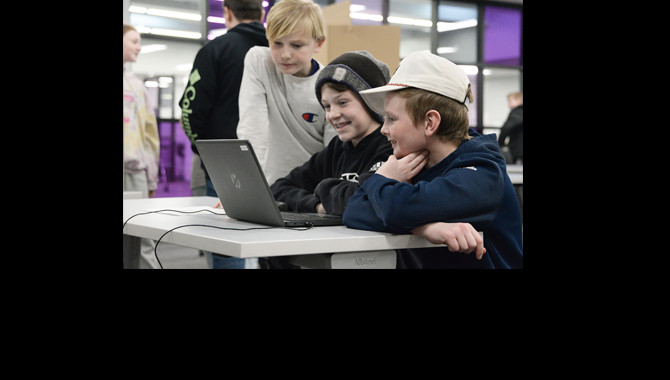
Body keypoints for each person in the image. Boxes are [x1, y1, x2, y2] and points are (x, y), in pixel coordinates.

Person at [343, 51, 523, 269]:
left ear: (430, 123)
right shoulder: (415, 162)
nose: (383, 129)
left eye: (392, 119)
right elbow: (353, 210)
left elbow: (398, 210)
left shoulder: (483, 175)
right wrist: (426, 228)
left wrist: (381, 179)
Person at [179, 0, 268, 269]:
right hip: (276, 163)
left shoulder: (215, 50)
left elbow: (189, 110)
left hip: (225, 165)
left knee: (226, 246)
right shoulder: (278, 50)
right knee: (277, 245)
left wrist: (204, 151)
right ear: (261, 13)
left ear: (227, 13)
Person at [270, 51, 393, 216]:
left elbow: (364, 198)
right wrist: (316, 205)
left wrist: (323, 187)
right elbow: (279, 188)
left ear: (372, 101)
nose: (332, 114)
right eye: (327, 106)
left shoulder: (391, 145)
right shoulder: (337, 148)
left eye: (342, 102)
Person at [236, 0, 338, 187]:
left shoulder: (331, 86)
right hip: (269, 187)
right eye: (277, 43)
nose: (285, 54)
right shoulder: (259, 61)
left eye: (296, 45)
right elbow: (252, 126)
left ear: (318, 43)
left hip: (310, 191)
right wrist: (247, 184)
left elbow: (333, 152)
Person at [123, 23, 161, 269]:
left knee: (141, 242)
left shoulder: (137, 86)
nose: (139, 46)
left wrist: (151, 178)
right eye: (133, 41)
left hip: (134, 171)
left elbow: (150, 137)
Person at [498, 92, 523, 164]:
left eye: (510, 101)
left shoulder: (518, 112)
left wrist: (500, 144)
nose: (508, 104)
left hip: (519, 151)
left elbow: (506, 128)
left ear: (518, 100)